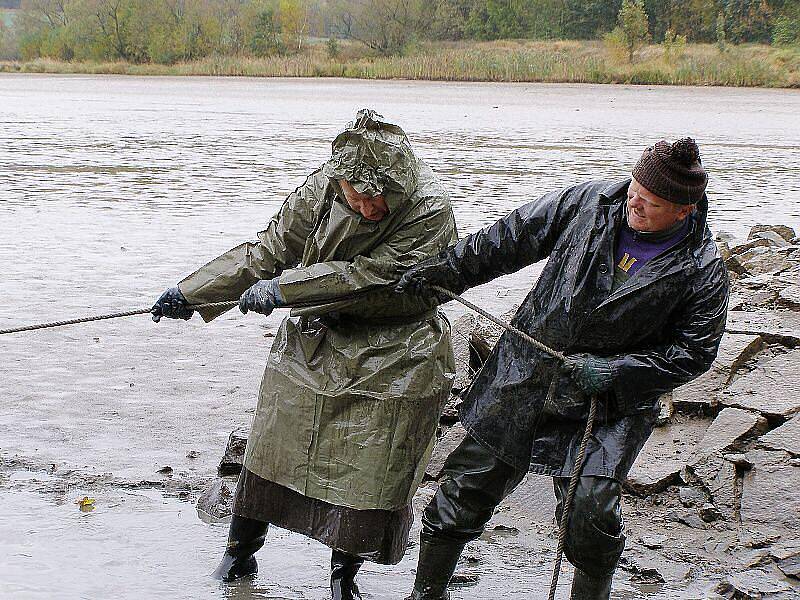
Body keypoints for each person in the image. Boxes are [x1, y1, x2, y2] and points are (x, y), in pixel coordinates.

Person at [396, 138, 729, 600]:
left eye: (650, 203)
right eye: (634, 189)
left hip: (610, 404)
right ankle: (425, 594)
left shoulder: (703, 268)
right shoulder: (588, 202)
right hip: (526, 374)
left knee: (590, 511)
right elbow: (506, 240)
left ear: (683, 211)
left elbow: (696, 351)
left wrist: (619, 370)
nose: (634, 202)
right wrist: (442, 274)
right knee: (464, 485)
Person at [151, 109, 458, 599]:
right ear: (340, 184)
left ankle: (343, 577)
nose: (369, 208)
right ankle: (239, 553)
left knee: (370, 467)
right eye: (358, 199)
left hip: (396, 347)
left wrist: (282, 291)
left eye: (378, 199)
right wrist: (192, 293)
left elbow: (366, 276)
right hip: (317, 332)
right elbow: (269, 250)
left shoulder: (430, 208)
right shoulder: (323, 186)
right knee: (270, 446)